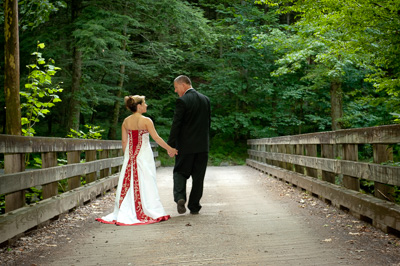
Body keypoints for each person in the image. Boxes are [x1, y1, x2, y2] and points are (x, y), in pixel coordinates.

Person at [96, 95, 177, 225]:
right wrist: (170, 149)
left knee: (131, 180)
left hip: (130, 155)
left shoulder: (126, 121)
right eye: (144, 103)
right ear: (138, 106)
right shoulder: (146, 121)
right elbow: (156, 138)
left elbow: (124, 141)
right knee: (146, 179)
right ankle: (147, 209)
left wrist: (127, 156)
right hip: (143, 154)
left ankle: (128, 208)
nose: (146, 105)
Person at [167, 75, 211, 215]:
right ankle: (194, 206)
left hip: (185, 147)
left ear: (183, 85)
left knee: (180, 172)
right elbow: (208, 123)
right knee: (198, 177)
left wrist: (171, 145)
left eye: (176, 87)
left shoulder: (182, 101)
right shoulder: (206, 100)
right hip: (202, 146)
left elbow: (177, 124)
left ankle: (180, 197)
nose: (175, 90)